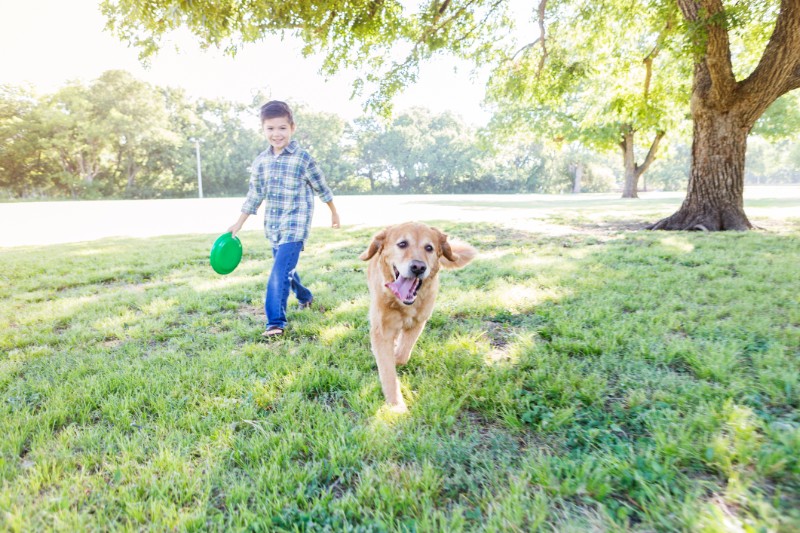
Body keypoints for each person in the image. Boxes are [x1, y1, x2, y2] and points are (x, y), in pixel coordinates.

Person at [228, 100, 340, 338]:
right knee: (286, 269)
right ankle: (305, 296)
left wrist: (333, 211)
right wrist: (238, 223)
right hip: (274, 227)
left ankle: (275, 322)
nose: (276, 134)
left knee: (279, 272)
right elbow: (255, 195)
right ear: (263, 129)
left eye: (281, 128)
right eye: (270, 128)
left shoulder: (303, 158)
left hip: (295, 226)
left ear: (292, 128)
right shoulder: (261, 162)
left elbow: (322, 187)